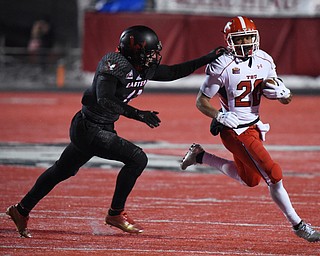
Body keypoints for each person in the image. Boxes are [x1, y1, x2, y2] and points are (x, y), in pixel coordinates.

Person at [6, 25, 225, 238]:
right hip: (90, 127)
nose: (153, 58)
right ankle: (115, 213)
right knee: (137, 159)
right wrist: (138, 114)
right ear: (135, 51)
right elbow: (105, 98)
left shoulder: (141, 66)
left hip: (98, 126)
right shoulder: (114, 64)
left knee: (61, 170)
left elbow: (173, 72)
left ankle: (21, 210)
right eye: (148, 53)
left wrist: (207, 57)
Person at [180, 16, 320, 243]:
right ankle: (298, 225)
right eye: (240, 38)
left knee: (251, 180)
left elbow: (283, 96)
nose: (246, 43)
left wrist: (284, 95)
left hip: (253, 127)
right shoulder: (221, 64)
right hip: (233, 131)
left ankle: (200, 156)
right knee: (273, 174)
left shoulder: (264, 59)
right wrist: (219, 115)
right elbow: (201, 102)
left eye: (248, 37)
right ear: (229, 41)